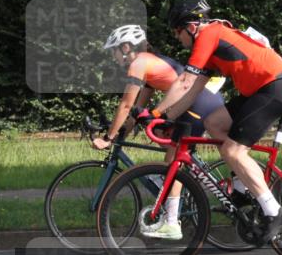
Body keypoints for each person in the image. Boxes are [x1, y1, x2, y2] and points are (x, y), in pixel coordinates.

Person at [142, 0, 282, 243]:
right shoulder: (210, 45)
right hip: (262, 89)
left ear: (191, 27)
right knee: (214, 123)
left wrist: (153, 113)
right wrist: (166, 117)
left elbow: (184, 82)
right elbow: (192, 90)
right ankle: (241, 186)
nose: (177, 38)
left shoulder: (210, 34)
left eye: (177, 31)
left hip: (275, 87)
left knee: (233, 151)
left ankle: (273, 210)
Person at [97, 24, 229, 240]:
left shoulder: (139, 63)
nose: (113, 57)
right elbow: (136, 111)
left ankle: (171, 222)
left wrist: (108, 138)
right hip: (195, 103)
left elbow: (125, 105)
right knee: (156, 128)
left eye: (114, 50)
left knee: (173, 162)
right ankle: (170, 185)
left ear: (127, 47)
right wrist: (121, 134)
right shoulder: (150, 64)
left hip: (196, 105)